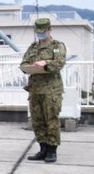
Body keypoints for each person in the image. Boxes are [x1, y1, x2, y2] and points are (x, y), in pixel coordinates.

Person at [21, 18, 67, 163]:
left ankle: (52, 151)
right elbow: (23, 63)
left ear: (49, 30)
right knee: (38, 121)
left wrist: (45, 63)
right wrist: (28, 68)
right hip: (35, 90)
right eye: (38, 32)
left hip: (51, 90)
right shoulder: (33, 47)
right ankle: (43, 149)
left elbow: (60, 62)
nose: (41, 34)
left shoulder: (57, 46)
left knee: (51, 120)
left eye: (43, 32)